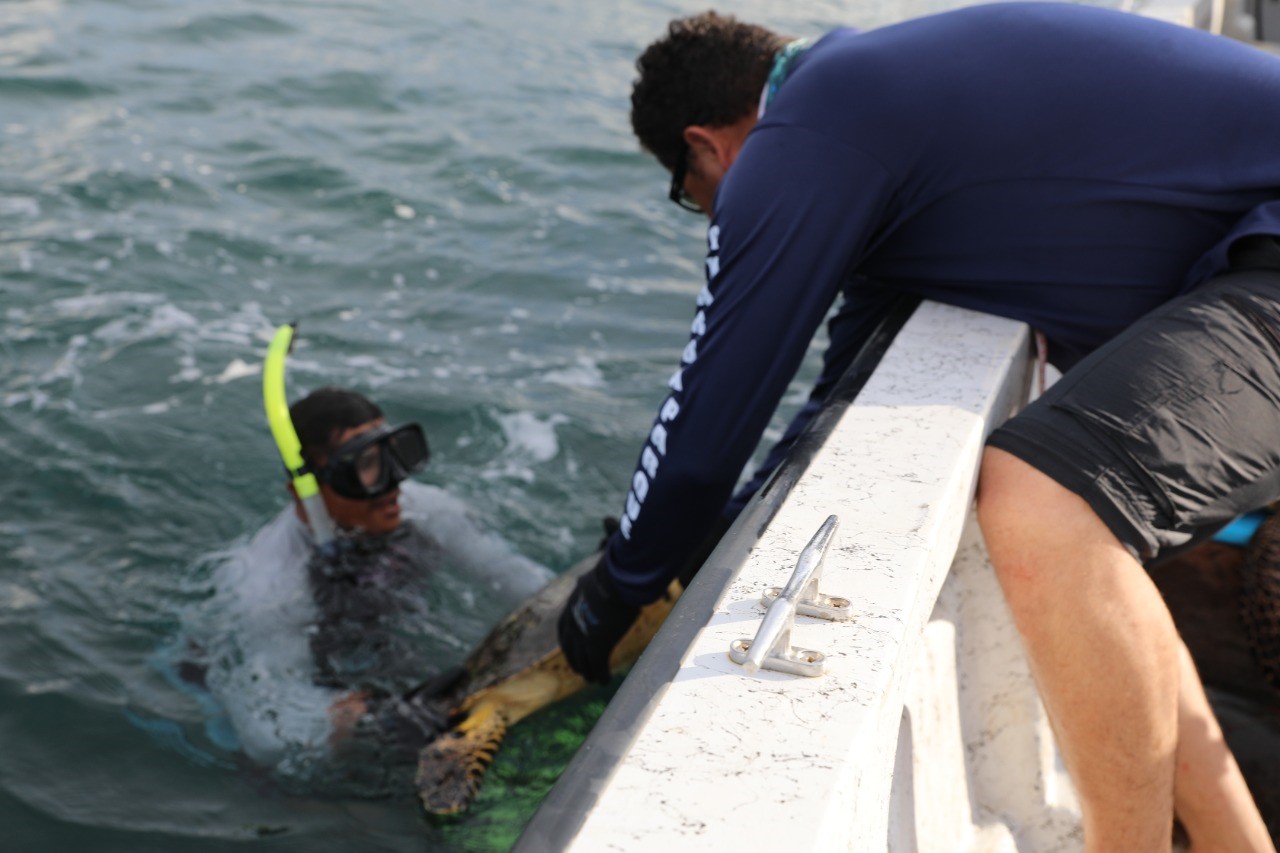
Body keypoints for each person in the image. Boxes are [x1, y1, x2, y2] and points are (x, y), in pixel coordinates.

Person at [555, 3, 1280, 848]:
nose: (722, 218)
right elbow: (827, 406)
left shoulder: (808, 127)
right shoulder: (891, 112)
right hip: (1250, 251)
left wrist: (611, 595)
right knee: (1096, 542)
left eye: (700, 200)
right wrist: (700, 545)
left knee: (1045, 498)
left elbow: (705, 415)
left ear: (708, 145)